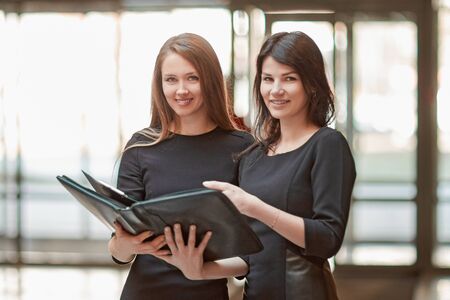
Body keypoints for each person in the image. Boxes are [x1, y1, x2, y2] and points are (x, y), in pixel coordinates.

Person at [156, 31, 356, 300]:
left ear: (312, 84)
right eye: (268, 79)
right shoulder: (253, 155)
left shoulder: (327, 145)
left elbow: (328, 238)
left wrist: (255, 208)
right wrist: (200, 271)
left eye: (289, 79)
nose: (276, 90)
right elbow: (252, 256)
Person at [107, 32, 253, 300]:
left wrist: (201, 269)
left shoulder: (243, 147)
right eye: (171, 80)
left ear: (210, 81)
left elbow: (251, 250)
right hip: (144, 292)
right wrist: (124, 245)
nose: (181, 90)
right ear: (159, 85)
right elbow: (119, 252)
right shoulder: (140, 147)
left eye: (192, 78)